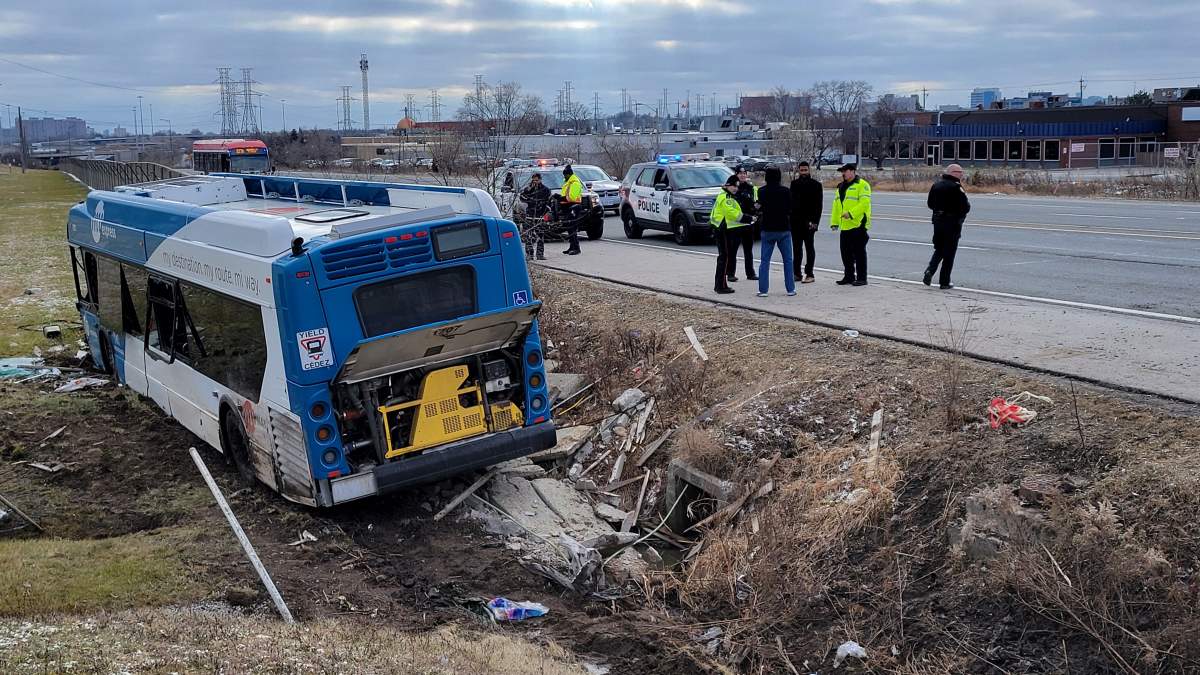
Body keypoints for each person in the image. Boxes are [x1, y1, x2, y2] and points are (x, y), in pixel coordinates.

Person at [924, 163, 970, 289]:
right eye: (959, 172)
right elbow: (965, 207)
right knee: (949, 253)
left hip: (938, 222)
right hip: (952, 223)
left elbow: (930, 203)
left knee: (939, 248)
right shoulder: (956, 187)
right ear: (952, 172)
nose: (961, 174)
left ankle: (930, 270)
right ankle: (944, 282)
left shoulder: (936, 185)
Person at [754, 167, 795, 297]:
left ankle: (763, 290)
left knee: (765, 261)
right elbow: (790, 208)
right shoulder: (786, 191)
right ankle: (790, 289)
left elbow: (759, 208)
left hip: (767, 228)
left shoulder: (762, 192)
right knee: (788, 260)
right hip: (783, 228)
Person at [830, 163, 871, 286]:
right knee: (845, 253)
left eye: (845, 171)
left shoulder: (862, 185)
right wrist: (834, 222)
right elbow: (836, 206)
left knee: (859, 253)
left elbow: (864, 203)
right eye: (842, 171)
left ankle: (862, 278)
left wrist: (851, 214)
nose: (843, 174)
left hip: (858, 224)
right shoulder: (841, 187)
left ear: (852, 171)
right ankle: (849, 276)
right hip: (845, 225)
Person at [710, 175, 751, 294]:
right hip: (722, 230)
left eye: (737, 187)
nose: (735, 189)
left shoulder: (726, 195)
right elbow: (732, 214)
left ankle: (720, 284)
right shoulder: (726, 197)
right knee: (724, 258)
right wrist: (747, 218)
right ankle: (720, 286)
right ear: (728, 185)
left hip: (722, 229)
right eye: (734, 186)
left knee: (724, 257)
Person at [789, 161, 822, 283]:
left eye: (805, 170)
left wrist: (815, 222)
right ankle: (796, 273)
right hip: (795, 222)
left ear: (809, 170)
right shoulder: (794, 184)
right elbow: (791, 204)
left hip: (809, 223)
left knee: (809, 248)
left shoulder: (816, 185)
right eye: (801, 170)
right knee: (797, 250)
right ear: (798, 171)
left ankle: (810, 274)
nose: (803, 172)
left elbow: (819, 206)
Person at [728, 167, 758, 282]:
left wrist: (755, 215)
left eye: (744, 173)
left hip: (748, 222)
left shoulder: (751, 188)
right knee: (733, 250)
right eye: (740, 173)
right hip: (735, 224)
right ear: (736, 174)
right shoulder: (733, 187)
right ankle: (730, 273)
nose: (742, 175)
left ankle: (750, 273)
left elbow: (755, 203)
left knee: (748, 250)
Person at [519, 173, 551, 260]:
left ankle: (540, 254)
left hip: (540, 215)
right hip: (530, 215)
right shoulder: (529, 189)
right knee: (528, 236)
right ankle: (530, 254)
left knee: (540, 235)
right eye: (534, 180)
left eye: (537, 180)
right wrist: (529, 194)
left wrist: (545, 212)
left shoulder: (545, 190)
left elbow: (548, 202)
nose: (535, 182)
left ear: (540, 180)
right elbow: (522, 197)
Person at [559, 164, 584, 255]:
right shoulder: (568, 182)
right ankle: (571, 247)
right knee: (569, 228)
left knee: (572, 227)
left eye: (565, 175)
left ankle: (576, 248)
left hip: (574, 206)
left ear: (569, 174)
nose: (564, 176)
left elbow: (572, 197)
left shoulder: (575, 183)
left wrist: (560, 198)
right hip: (568, 207)